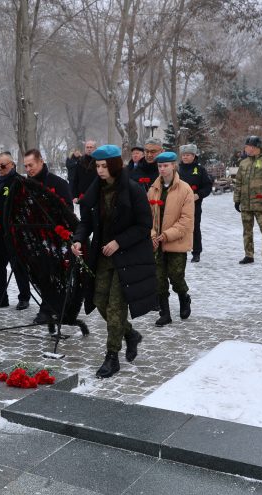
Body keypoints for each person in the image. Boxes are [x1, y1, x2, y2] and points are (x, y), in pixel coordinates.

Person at [72, 144, 156, 378]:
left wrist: (119, 242)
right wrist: (78, 239)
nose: (99, 170)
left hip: (128, 257)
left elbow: (144, 225)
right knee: (99, 301)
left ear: (115, 166)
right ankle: (130, 334)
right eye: (97, 166)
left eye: (104, 166)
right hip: (103, 257)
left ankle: (112, 357)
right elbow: (85, 222)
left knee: (116, 306)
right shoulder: (95, 191)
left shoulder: (132, 189)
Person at [24, 148, 72, 325]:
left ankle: (55, 308)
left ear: (41, 162)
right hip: (33, 238)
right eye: (26, 166)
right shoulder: (24, 185)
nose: (29, 169)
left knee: (55, 275)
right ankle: (47, 307)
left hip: (55, 238)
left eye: (31, 165)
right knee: (40, 275)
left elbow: (68, 209)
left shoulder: (58, 183)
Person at [148, 152, 194, 327]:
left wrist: (167, 235)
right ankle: (165, 313)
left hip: (176, 242)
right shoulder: (153, 189)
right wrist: (152, 234)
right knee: (159, 279)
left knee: (176, 276)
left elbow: (186, 220)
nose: (162, 169)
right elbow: (147, 217)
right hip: (157, 243)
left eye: (166, 165)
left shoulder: (185, 189)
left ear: (173, 166)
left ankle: (184, 297)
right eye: (160, 166)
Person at [0, 152, 31, 311]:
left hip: (12, 233)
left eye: (3, 166)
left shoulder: (19, 181)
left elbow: (24, 207)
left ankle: (24, 297)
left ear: (12, 165)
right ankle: (1, 297)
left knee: (18, 266)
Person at [233, 136, 262, 266]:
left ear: (255, 148)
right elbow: (238, 182)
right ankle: (249, 255)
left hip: (261, 203)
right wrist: (237, 200)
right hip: (246, 203)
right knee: (247, 230)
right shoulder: (244, 162)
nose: (245, 149)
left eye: (247, 147)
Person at [177, 144, 212, 262]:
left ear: (193, 156)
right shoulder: (177, 169)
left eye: (188, 155)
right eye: (183, 155)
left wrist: (198, 195)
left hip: (194, 205)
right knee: (178, 227)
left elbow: (207, 186)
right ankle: (179, 249)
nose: (185, 157)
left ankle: (196, 252)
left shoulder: (200, 170)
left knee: (194, 228)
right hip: (177, 204)